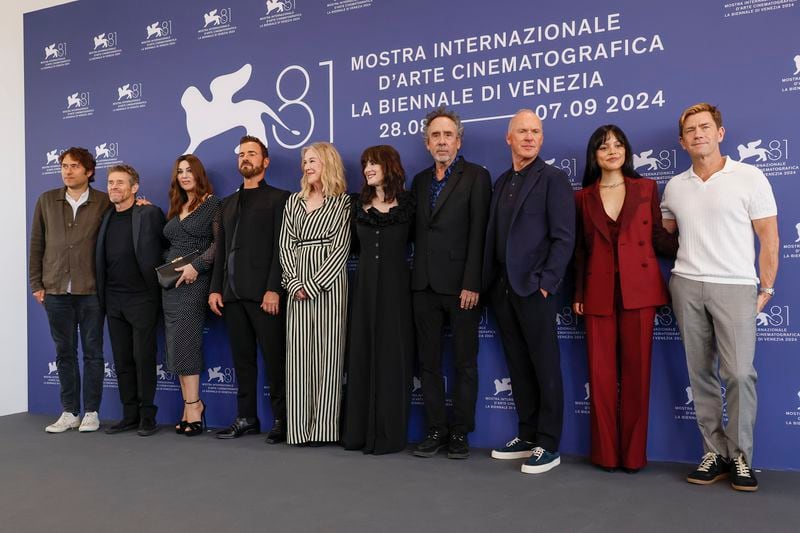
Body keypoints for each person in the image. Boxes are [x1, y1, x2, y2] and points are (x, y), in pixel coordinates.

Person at [661, 103, 779, 492]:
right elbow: (666, 232)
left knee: (740, 374)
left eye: (705, 127)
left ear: (720, 132)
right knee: (701, 375)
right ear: (681, 141)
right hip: (687, 285)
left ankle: (741, 458)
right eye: (691, 130)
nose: (698, 134)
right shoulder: (675, 186)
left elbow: (769, 238)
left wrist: (766, 287)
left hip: (736, 287)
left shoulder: (750, 176)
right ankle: (714, 452)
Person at [572, 125, 678, 472]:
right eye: (604, 147)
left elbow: (659, 237)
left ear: (626, 151)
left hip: (640, 291)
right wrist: (577, 294)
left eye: (618, 145)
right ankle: (605, 454)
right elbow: (581, 251)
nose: (612, 151)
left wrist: (699, 243)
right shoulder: (582, 197)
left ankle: (633, 457)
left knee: (638, 374)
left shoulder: (645, 188)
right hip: (597, 293)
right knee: (600, 377)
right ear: (595, 156)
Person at [483, 109, 575, 474]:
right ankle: (528, 434)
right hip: (503, 289)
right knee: (518, 365)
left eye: (535, 132)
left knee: (544, 366)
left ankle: (549, 444)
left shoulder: (553, 179)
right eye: (522, 131)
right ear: (509, 138)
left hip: (535, 290)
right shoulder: (503, 180)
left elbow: (564, 237)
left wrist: (546, 285)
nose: (529, 137)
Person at [410, 107, 491, 459]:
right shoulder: (419, 181)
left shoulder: (477, 176)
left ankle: (459, 432)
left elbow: (480, 235)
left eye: (447, 135)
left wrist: (472, 282)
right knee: (427, 363)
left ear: (458, 140)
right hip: (423, 286)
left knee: (464, 363)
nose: (442, 141)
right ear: (427, 143)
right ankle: (435, 428)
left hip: (462, 287)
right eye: (435, 136)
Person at [210, 136, 289, 443]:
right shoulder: (227, 203)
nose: (245, 158)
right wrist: (215, 289)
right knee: (242, 361)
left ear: (265, 162)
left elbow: (281, 249)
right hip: (231, 296)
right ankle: (246, 418)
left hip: (264, 296)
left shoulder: (281, 198)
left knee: (275, 360)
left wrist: (274, 289)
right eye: (242, 154)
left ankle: (283, 419)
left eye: (252, 153)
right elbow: (221, 248)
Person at [30, 147, 110, 433]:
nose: (67, 170)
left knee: (93, 353)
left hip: (91, 290)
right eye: (64, 165)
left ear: (89, 171)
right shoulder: (47, 200)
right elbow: (37, 243)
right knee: (64, 352)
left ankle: (91, 411)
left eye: (75, 166)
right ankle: (69, 411)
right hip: (55, 290)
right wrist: (36, 284)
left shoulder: (104, 201)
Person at [341, 145, 415, 454]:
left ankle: (388, 434)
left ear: (389, 165)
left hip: (398, 292)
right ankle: (358, 433)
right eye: (364, 164)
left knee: (392, 358)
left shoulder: (409, 203)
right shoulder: (356, 205)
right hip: (365, 291)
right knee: (361, 355)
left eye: (373, 162)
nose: (368, 168)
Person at [279, 142, 351, 446]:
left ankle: (323, 429)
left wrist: (314, 284)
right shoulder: (293, 202)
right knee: (298, 357)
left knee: (329, 355)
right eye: (305, 161)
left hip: (330, 286)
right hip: (296, 288)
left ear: (328, 164)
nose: (307, 166)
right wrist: (294, 283)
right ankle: (298, 429)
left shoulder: (343, 203)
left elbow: (341, 248)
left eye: (313, 161)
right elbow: (286, 245)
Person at [96, 164, 166, 436]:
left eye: (120, 183)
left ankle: (148, 415)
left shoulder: (150, 214)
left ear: (134, 188)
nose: (114, 187)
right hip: (113, 300)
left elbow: (166, 247)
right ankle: (129, 415)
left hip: (142, 299)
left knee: (143, 358)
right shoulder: (105, 217)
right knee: (122, 359)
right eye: (111, 182)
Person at [163, 154, 221, 436]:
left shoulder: (212, 204)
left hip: (195, 282)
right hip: (171, 285)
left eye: (189, 171)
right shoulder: (176, 206)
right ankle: (189, 406)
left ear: (199, 174)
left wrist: (196, 267)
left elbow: (219, 244)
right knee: (176, 345)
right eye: (180, 171)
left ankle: (195, 406)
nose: (184, 175)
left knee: (187, 343)